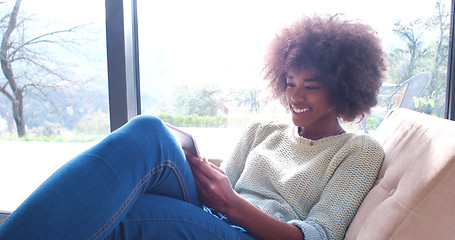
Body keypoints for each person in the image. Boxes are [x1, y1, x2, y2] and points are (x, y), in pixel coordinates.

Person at [0, 14, 387, 240]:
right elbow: (224, 186)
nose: (295, 96)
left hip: (251, 235)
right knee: (148, 132)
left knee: (128, 212)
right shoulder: (262, 130)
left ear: (343, 89)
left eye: (311, 86)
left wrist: (231, 203)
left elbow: (318, 235)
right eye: (289, 83)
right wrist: (207, 176)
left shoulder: (358, 151)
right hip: (217, 217)